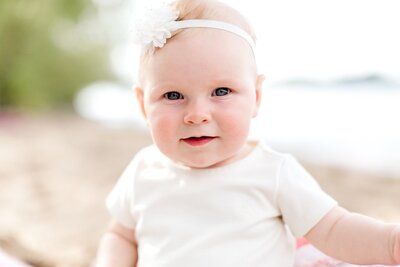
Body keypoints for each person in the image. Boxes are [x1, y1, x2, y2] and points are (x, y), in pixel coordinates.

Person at [95, 0, 400, 266]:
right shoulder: (144, 170)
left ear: (255, 97)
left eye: (221, 91)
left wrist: (389, 243)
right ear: (143, 105)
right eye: (173, 96)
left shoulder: (272, 173)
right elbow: (122, 234)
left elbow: (334, 229)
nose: (197, 114)